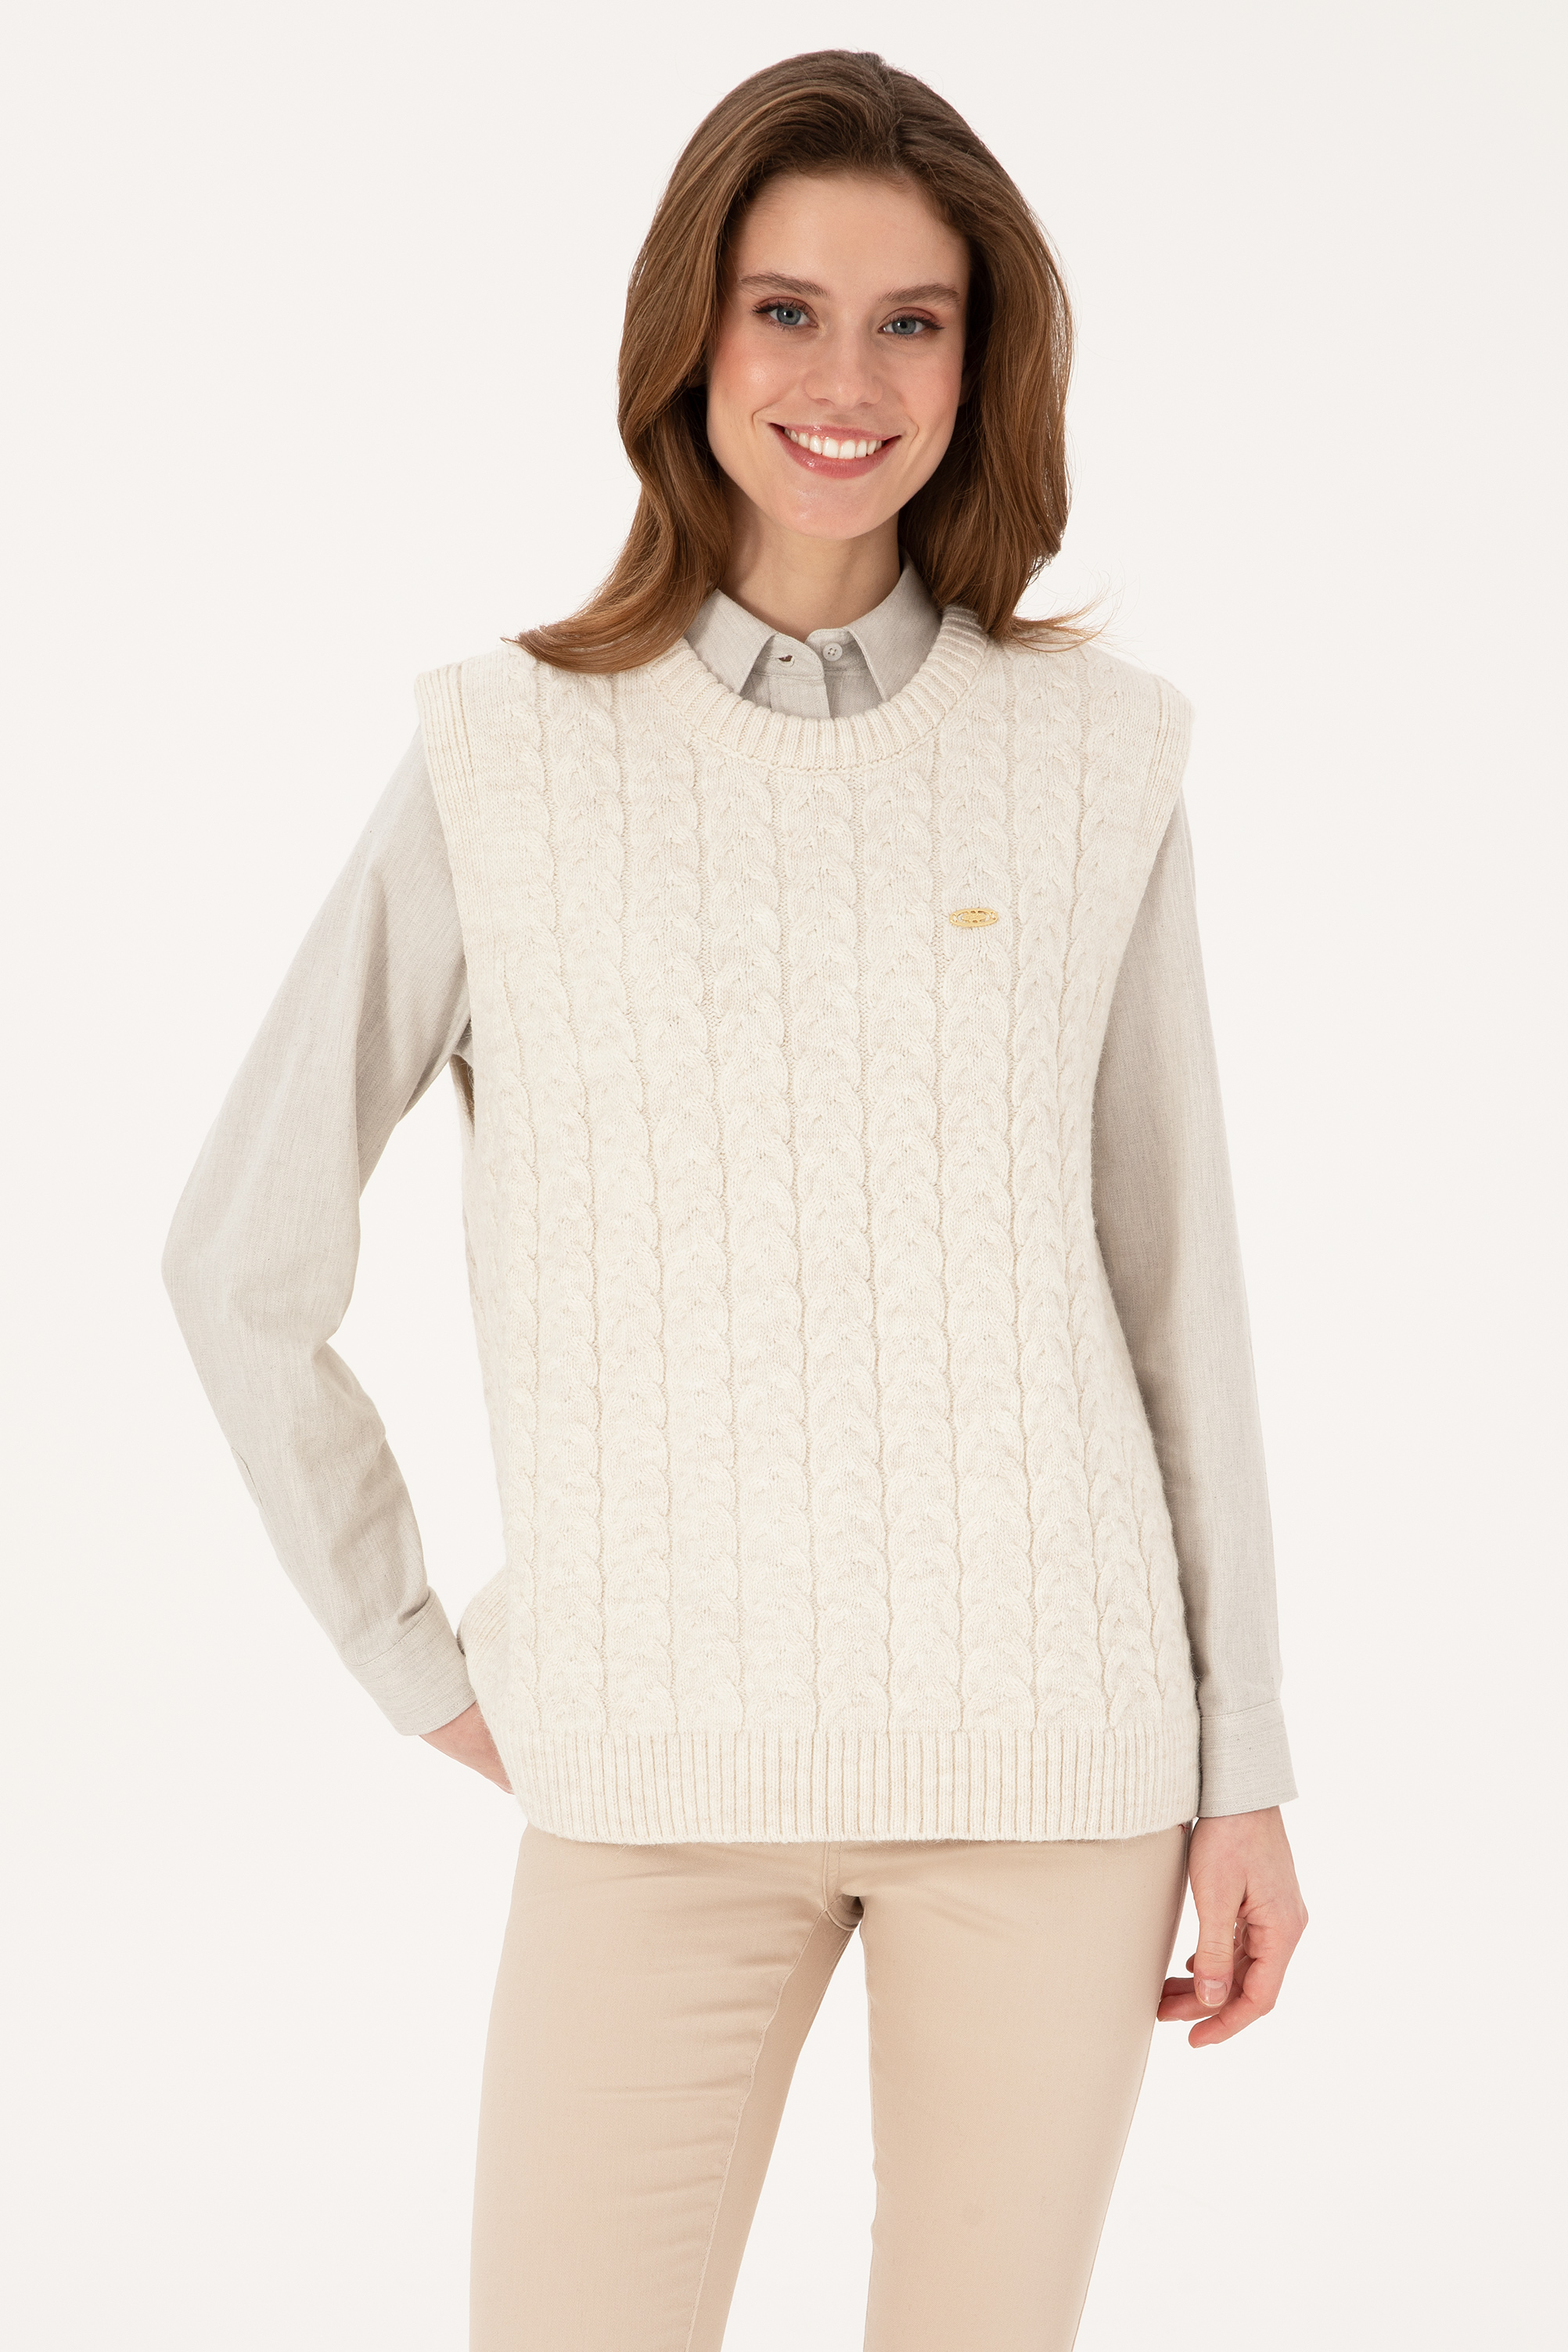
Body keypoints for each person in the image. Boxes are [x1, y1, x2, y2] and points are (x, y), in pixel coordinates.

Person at [162, 47, 1307, 2352]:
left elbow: (1174, 1286)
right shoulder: (502, 751)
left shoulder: (1096, 757)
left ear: (981, 365)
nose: (843, 381)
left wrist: (1242, 1769)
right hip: (654, 1776)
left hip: (1052, 1767)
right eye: (786, 310)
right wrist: (414, 1659)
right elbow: (237, 1258)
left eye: (911, 321)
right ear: (689, 334)